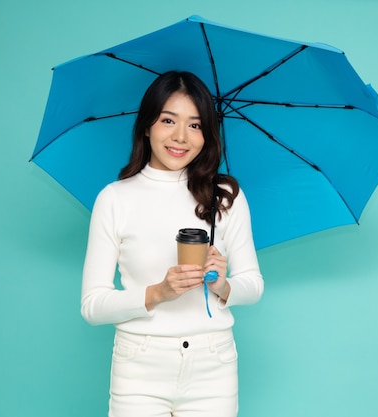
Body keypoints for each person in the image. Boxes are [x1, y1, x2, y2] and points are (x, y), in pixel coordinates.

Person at [80, 71, 264, 417]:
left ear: (207, 134)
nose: (181, 136)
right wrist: (158, 293)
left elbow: (254, 286)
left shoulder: (225, 197)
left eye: (195, 125)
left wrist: (223, 284)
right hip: (139, 367)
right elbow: (92, 305)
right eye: (168, 120)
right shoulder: (115, 198)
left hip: (214, 366)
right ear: (146, 126)